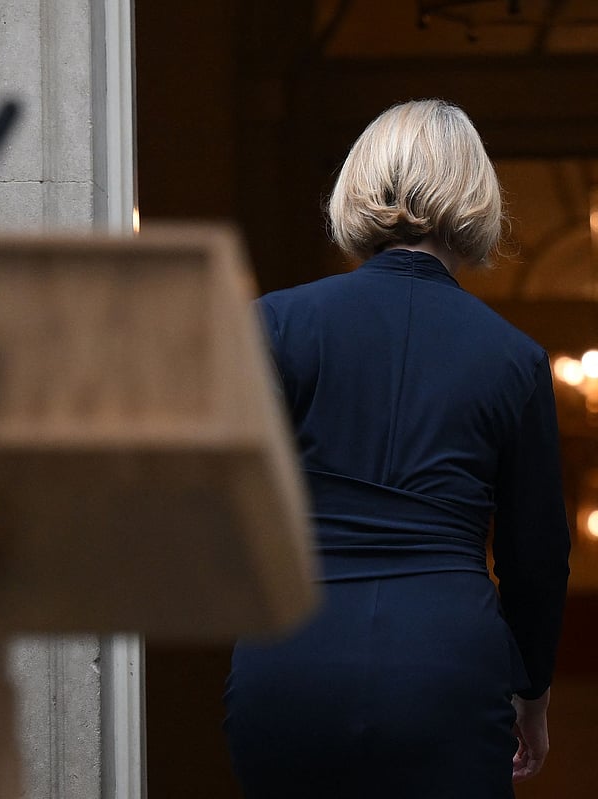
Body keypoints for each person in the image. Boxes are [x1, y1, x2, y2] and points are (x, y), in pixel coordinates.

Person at [222, 99, 571, 798]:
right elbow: (535, 557)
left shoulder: (272, 325)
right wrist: (532, 692)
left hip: (294, 653)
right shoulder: (515, 359)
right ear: (476, 197)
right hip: (445, 663)